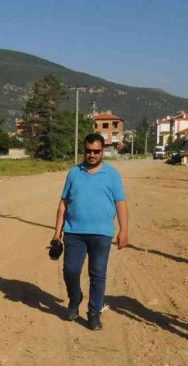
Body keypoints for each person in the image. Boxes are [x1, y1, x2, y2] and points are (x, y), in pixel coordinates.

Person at [51, 132, 129, 331]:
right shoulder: (74, 173)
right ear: (84, 150)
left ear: (103, 151)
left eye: (96, 151)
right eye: (88, 151)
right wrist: (56, 234)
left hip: (102, 234)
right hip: (74, 232)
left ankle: (94, 313)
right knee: (71, 270)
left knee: (98, 274)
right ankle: (75, 298)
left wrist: (124, 231)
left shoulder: (112, 174)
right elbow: (63, 204)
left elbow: (120, 204)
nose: (92, 154)